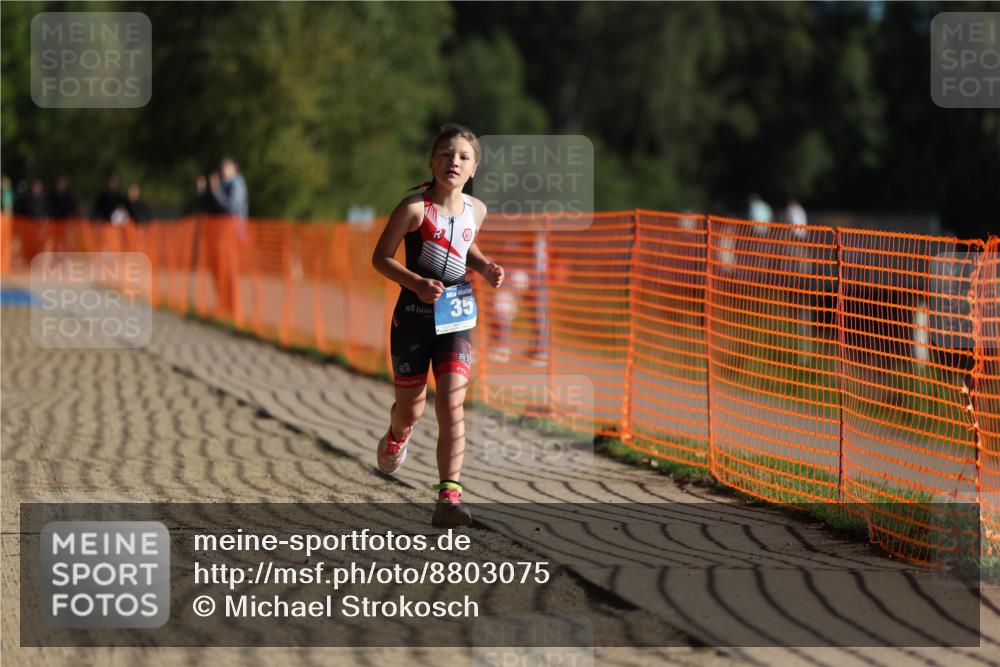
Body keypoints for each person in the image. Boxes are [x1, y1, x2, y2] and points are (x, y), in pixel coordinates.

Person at [371, 123, 504, 528]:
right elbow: (380, 258)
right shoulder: (414, 209)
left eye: (463, 157)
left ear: (473, 168)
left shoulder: (476, 209)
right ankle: (398, 433)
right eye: (446, 155)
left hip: (457, 318)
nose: (454, 162)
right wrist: (415, 283)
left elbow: (465, 243)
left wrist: (483, 265)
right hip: (412, 319)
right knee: (411, 410)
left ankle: (449, 495)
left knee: (451, 404)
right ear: (432, 161)